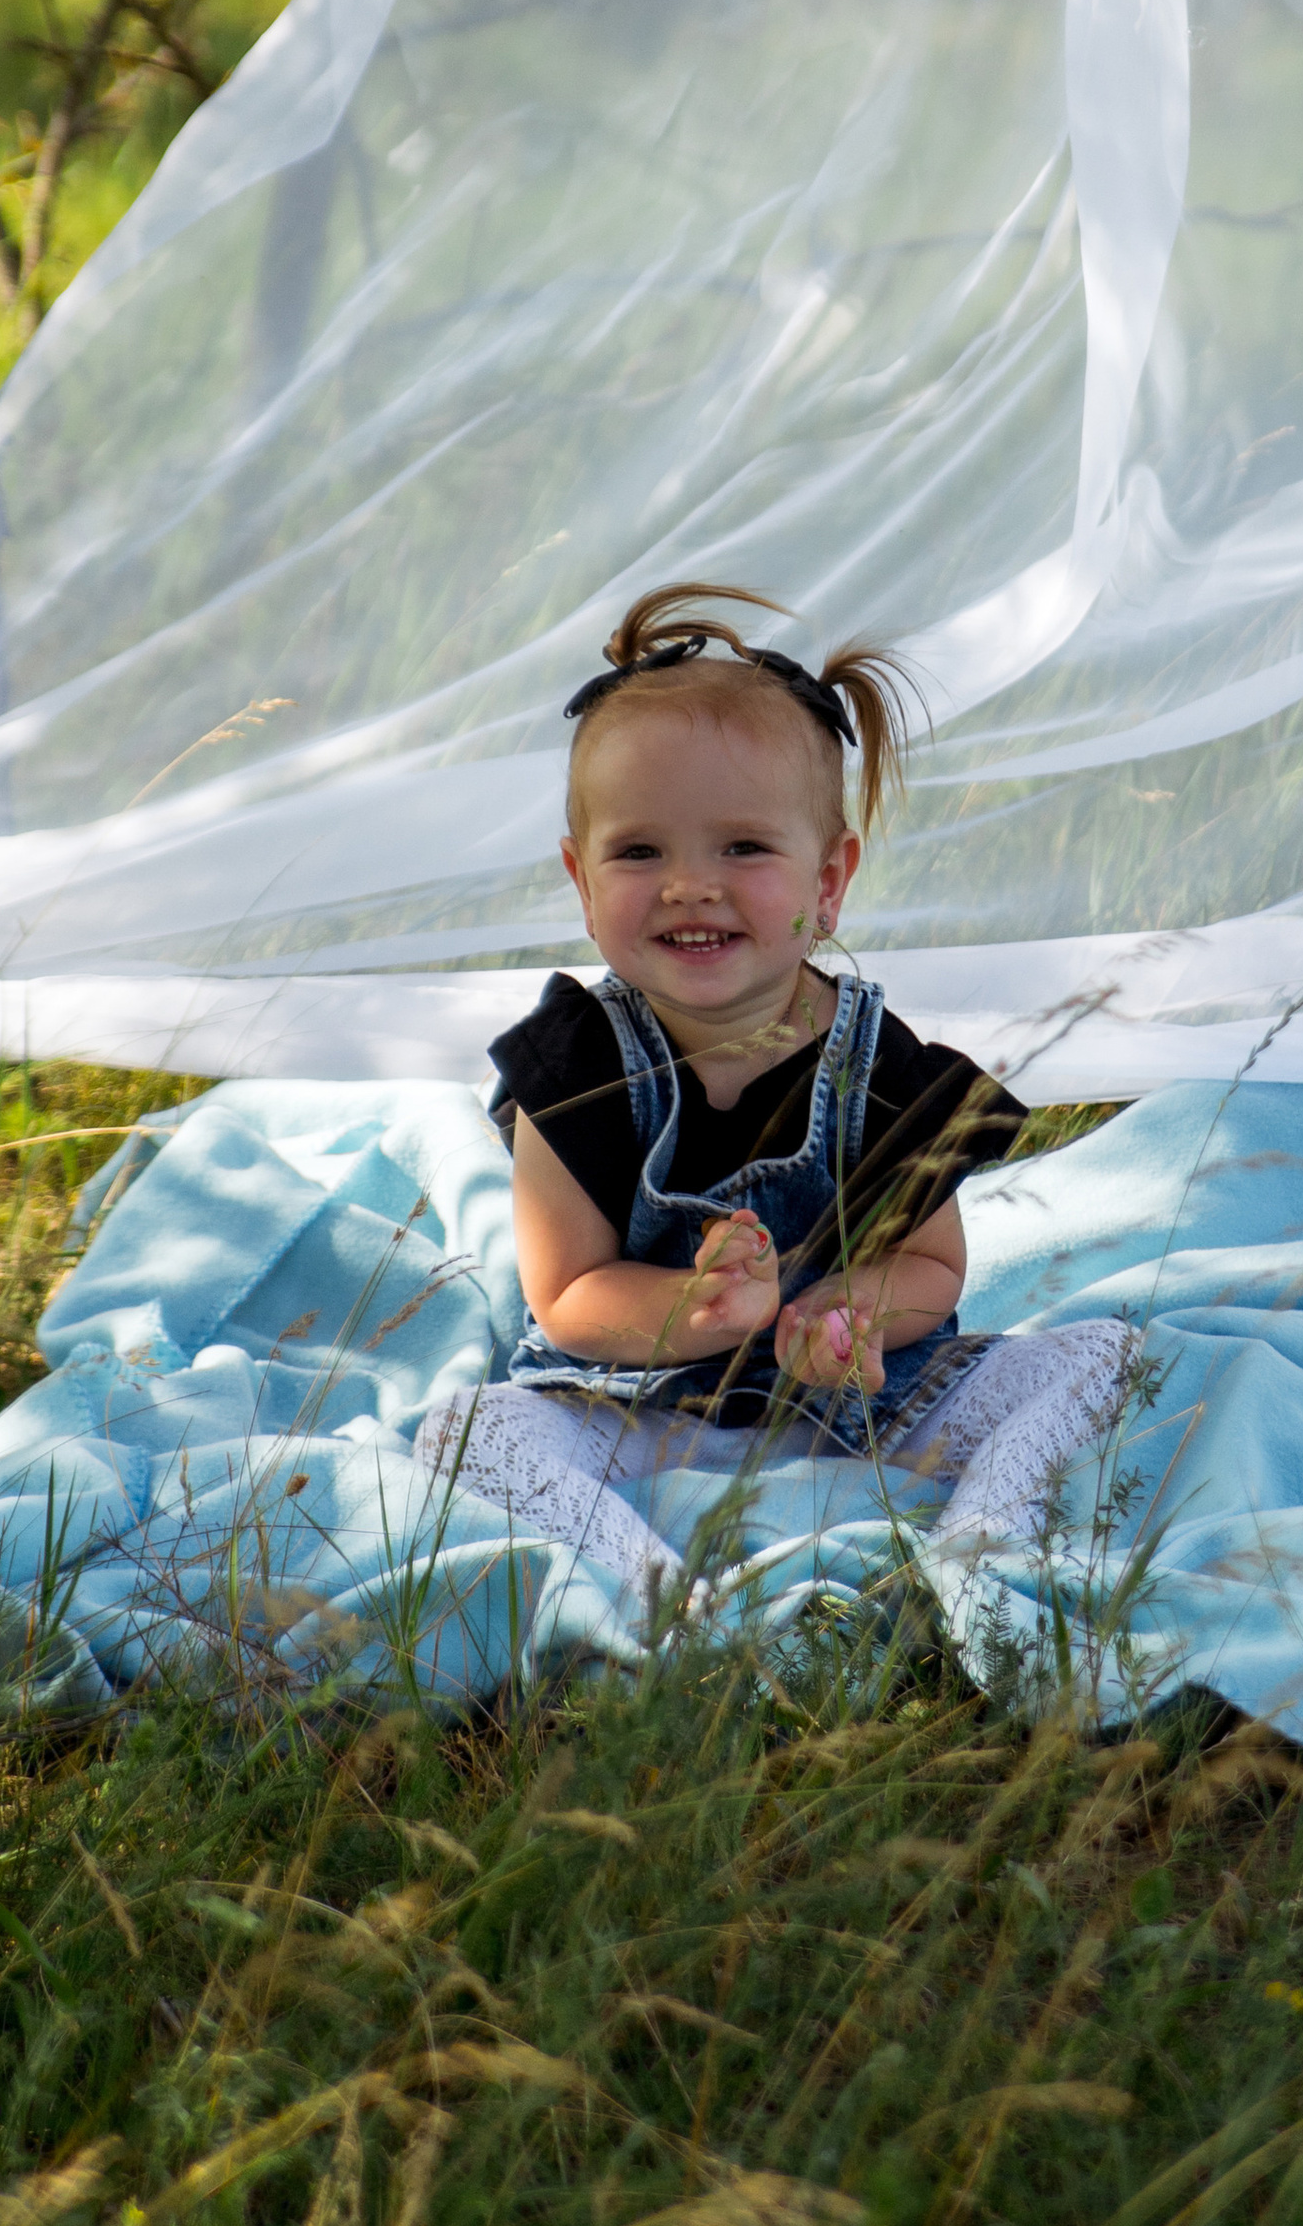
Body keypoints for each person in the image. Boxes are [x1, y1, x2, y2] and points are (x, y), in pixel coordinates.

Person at [417, 583, 1136, 1585]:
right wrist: (697, 1310)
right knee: (467, 1432)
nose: (690, 884)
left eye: (743, 847)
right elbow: (569, 1292)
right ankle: (650, 1592)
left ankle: (983, 1552)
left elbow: (930, 1269)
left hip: (858, 1410)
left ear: (827, 882)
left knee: (1098, 1358)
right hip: (636, 1409)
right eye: (639, 851)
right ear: (581, 882)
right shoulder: (574, 1063)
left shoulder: (876, 1062)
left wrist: (841, 1313)